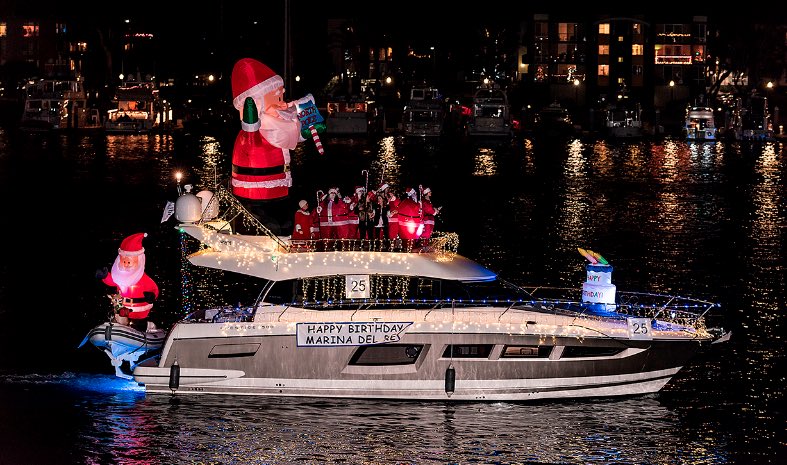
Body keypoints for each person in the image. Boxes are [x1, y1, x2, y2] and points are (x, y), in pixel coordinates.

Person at [229, 57, 304, 234]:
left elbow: (292, 137)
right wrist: (250, 119)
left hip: (281, 189)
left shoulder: (280, 123)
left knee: (284, 225)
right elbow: (250, 135)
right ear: (258, 101)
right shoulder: (252, 132)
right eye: (278, 97)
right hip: (255, 193)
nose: (283, 103)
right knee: (262, 226)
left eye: (282, 96)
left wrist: (306, 132)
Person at [96, 233, 159, 332]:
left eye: (129, 261)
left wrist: (152, 295)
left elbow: (153, 288)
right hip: (123, 308)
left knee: (138, 325)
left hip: (139, 309)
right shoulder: (119, 276)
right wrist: (105, 276)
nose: (126, 263)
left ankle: (146, 328)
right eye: (124, 260)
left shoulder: (143, 278)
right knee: (120, 322)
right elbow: (112, 281)